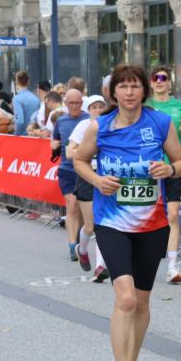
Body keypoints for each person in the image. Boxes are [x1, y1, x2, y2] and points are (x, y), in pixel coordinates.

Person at [74, 64, 181, 361]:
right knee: (125, 299)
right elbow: (80, 160)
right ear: (113, 93)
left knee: (141, 302)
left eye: (134, 86)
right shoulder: (100, 125)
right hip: (112, 222)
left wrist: (169, 169)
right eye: (122, 86)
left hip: (152, 224)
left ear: (143, 91)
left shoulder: (160, 123)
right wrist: (98, 180)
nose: (128, 92)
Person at [145, 66, 181, 284]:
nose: (160, 81)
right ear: (151, 82)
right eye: (156, 78)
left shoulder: (180, 106)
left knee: (172, 216)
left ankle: (172, 266)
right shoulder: (144, 106)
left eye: (164, 78)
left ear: (170, 82)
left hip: (173, 166)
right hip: (150, 168)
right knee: (146, 215)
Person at [68, 94, 109, 281]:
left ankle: (100, 266)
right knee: (90, 225)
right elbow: (70, 152)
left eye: (101, 107)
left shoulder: (110, 125)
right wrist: (88, 150)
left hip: (105, 176)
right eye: (94, 107)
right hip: (86, 176)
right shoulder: (83, 126)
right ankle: (82, 249)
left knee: (102, 223)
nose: (98, 110)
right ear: (88, 110)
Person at [52, 89, 89, 261]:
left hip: (85, 169)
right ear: (65, 104)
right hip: (66, 169)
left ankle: (80, 240)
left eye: (77, 103)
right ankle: (72, 245)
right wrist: (53, 145)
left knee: (81, 207)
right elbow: (54, 139)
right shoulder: (61, 121)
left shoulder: (89, 120)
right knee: (72, 204)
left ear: (82, 103)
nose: (74, 106)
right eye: (71, 103)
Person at [12, 71, 40, 135]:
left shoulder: (17, 99)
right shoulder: (35, 98)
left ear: (17, 82)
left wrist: (16, 134)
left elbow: (19, 121)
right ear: (28, 82)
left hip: (22, 136)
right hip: (34, 134)